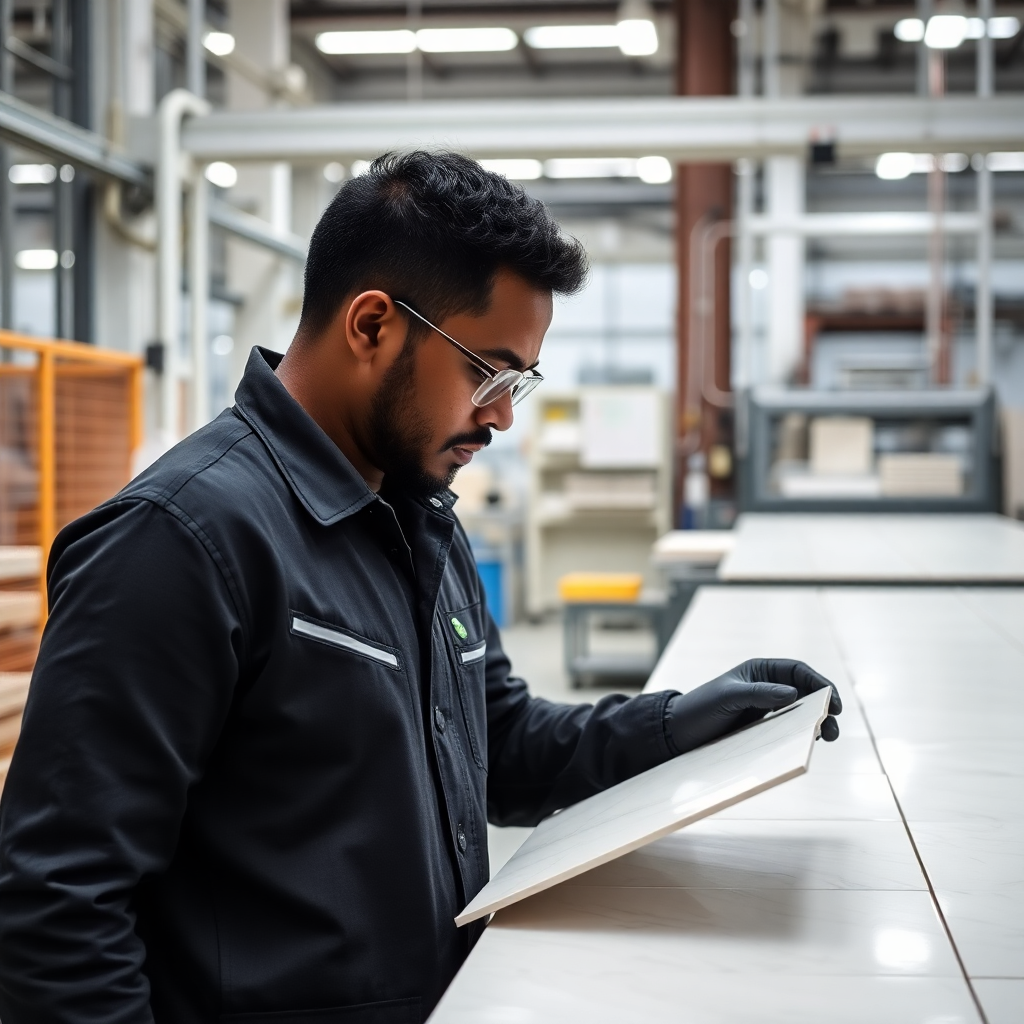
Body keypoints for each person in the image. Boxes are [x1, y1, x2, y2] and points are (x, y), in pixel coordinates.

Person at [0, 151, 841, 1024]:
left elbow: (497, 744)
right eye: (487, 372)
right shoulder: (180, 542)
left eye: (518, 383)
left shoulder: (419, 515)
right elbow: (57, 906)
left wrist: (674, 726)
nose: (502, 415)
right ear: (372, 325)